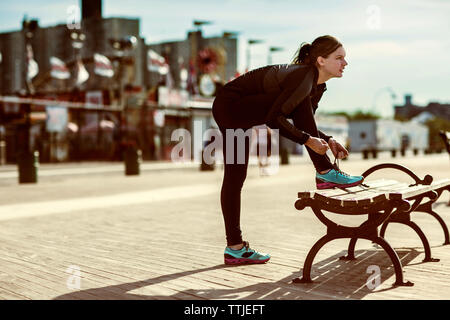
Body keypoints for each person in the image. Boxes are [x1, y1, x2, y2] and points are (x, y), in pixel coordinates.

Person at [212, 35, 364, 265]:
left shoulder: (317, 86)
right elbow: (275, 119)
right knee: (235, 177)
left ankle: (234, 248)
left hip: (237, 112)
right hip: (230, 106)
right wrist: (308, 140)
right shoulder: (304, 75)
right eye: (339, 58)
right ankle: (324, 171)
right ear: (321, 60)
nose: (345, 63)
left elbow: (305, 123)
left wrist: (328, 139)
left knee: (235, 178)